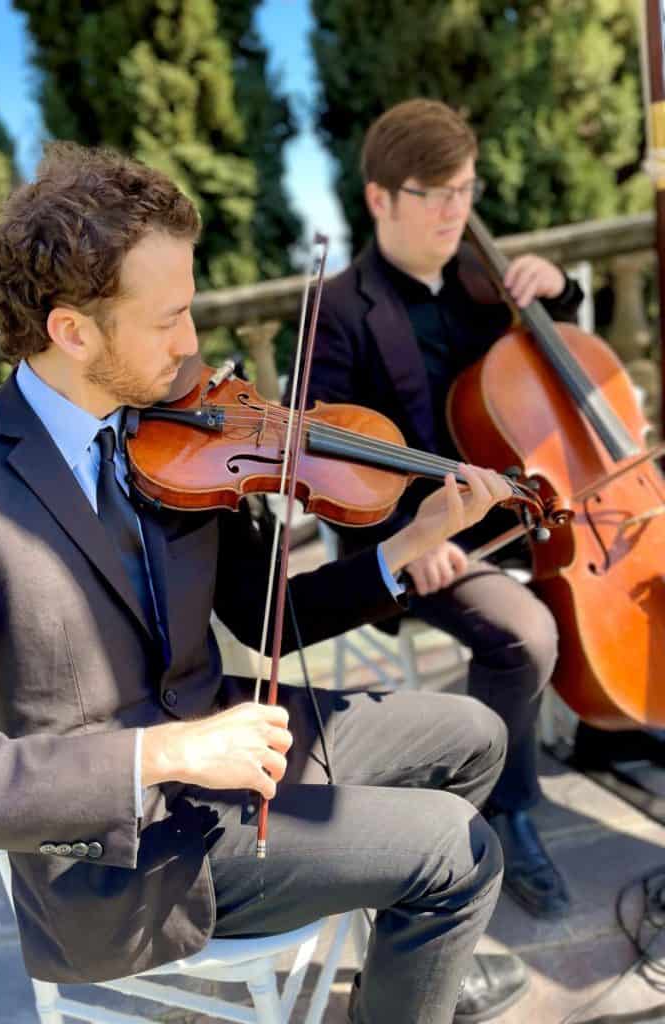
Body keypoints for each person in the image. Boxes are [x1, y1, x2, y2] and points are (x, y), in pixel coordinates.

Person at [0, 142, 527, 1024]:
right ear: (72, 330)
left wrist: (409, 544)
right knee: (460, 852)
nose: (192, 344)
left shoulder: (186, 426)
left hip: (235, 743)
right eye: (167, 321)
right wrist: (172, 754)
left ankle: (403, 970)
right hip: (129, 852)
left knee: (473, 734)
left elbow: (269, 620)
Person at [292, 98, 583, 921]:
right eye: (435, 193)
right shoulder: (342, 311)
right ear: (380, 198)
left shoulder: (483, 283)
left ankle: (606, 721)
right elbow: (320, 455)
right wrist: (407, 540)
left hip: (527, 508)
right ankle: (505, 811)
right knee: (523, 635)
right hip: (428, 538)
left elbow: (555, 371)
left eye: (465, 189)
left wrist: (557, 294)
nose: (457, 210)